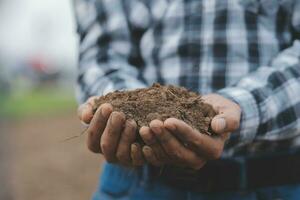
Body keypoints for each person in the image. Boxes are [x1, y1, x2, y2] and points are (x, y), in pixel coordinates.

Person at [75, 0, 300, 199]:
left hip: (274, 181)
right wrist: (120, 114)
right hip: (137, 185)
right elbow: (102, 55)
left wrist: (242, 107)